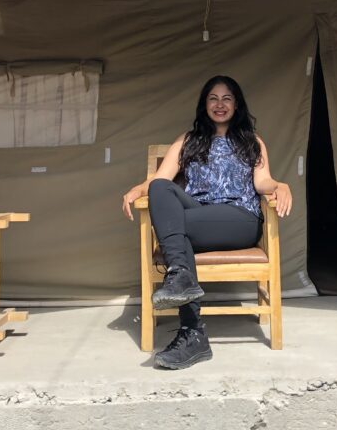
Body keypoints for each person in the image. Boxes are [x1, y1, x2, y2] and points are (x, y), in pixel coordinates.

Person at [122, 75, 293, 369]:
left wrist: (281, 185)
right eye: (213, 98)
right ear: (204, 104)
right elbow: (159, 180)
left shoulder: (252, 141)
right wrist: (137, 189)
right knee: (160, 190)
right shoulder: (188, 140)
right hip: (198, 214)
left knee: (173, 230)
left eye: (227, 98)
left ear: (236, 104)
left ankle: (191, 332)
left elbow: (263, 181)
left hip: (238, 218)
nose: (220, 104)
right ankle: (191, 327)